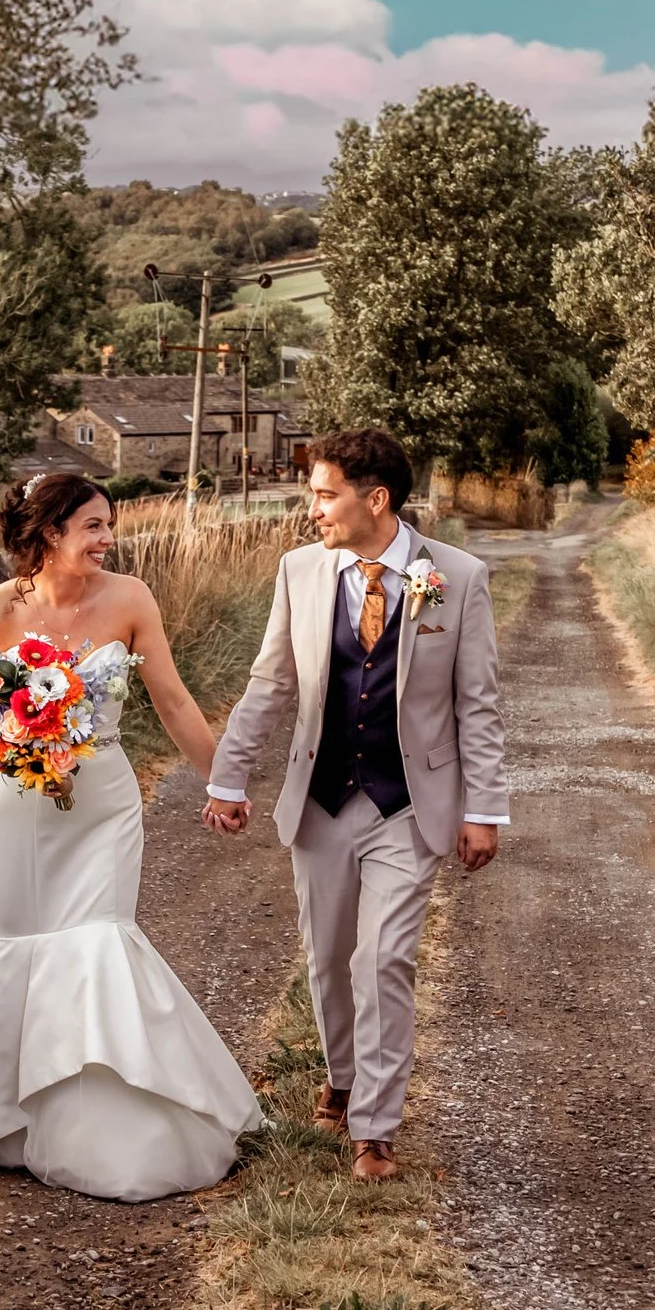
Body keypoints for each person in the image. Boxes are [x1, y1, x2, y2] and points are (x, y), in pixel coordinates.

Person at [0, 472, 264, 1202]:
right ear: (49, 533)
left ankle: (108, 1135)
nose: (109, 540)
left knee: (100, 938)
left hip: (102, 801)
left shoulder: (131, 599)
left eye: (109, 525)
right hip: (17, 803)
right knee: (20, 939)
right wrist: (11, 729)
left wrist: (222, 782)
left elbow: (172, 701)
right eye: (95, 527)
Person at [202, 428, 508, 1182]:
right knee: (329, 959)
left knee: (385, 959)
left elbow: (479, 704)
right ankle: (342, 1076)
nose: (313, 509)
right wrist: (228, 778)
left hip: (409, 804)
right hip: (323, 800)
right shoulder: (299, 572)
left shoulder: (457, 577)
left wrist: (485, 808)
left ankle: (376, 1128)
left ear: (375, 500)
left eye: (324, 493)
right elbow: (270, 684)